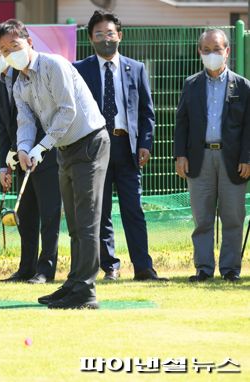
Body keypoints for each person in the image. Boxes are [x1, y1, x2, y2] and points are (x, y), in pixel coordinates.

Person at [0, 19, 110, 309]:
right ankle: (73, 283)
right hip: (65, 149)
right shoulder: (19, 83)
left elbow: (67, 111)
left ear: (29, 42)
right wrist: (23, 149)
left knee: (86, 220)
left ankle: (86, 291)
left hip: (90, 142)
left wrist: (40, 148)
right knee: (73, 221)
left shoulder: (53, 65)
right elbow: (25, 120)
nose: (11, 53)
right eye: (4, 50)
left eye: (15, 46)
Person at [73, 11, 166, 281]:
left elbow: (146, 111)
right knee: (99, 212)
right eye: (99, 34)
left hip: (127, 147)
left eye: (110, 33)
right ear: (90, 38)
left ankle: (143, 267)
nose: (106, 39)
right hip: (94, 149)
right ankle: (110, 266)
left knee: (133, 209)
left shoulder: (135, 68)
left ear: (120, 36)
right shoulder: (80, 69)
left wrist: (145, 143)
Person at [0, 32, 61, 284]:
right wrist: (6, 162)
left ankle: (46, 269)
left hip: (45, 153)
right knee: (26, 213)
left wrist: (33, 148)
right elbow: (6, 126)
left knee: (49, 213)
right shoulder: (0, 85)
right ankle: (27, 268)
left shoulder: (26, 76)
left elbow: (40, 117)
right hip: (21, 157)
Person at [174, 29, 250, 282]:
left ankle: (230, 270)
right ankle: (203, 269)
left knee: (233, 217)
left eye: (217, 49)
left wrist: (247, 158)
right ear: (200, 53)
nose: (212, 55)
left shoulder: (243, 86)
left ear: (227, 51)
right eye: (206, 50)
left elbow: (249, 127)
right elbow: (182, 122)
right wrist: (180, 155)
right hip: (199, 158)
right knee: (202, 218)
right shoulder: (191, 84)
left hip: (233, 160)